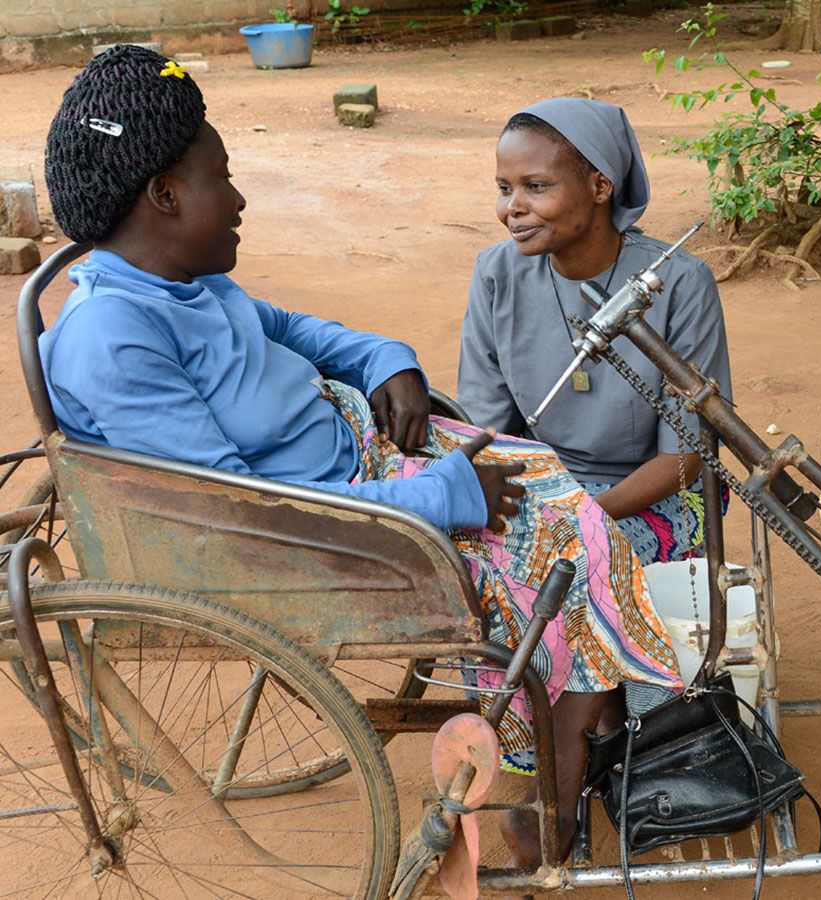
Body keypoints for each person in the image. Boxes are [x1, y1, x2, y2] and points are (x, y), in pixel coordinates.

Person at [39, 46, 681, 865]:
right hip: (327, 522)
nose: (239, 200)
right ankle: (561, 798)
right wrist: (448, 495)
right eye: (222, 178)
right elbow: (241, 512)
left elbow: (296, 331)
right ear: (165, 197)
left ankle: (583, 735)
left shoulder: (183, 282)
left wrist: (388, 360)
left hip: (365, 459)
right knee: (572, 540)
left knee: (551, 487)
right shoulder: (113, 338)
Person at [458, 98, 732, 565]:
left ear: (600, 185)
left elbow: (685, 455)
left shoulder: (680, 282)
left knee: (578, 567)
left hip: (656, 492)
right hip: (546, 484)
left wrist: (580, 520)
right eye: (505, 188)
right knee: (456, 561)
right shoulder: (495, 274)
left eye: (536, 187)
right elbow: (485, 427)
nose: (512, 209)